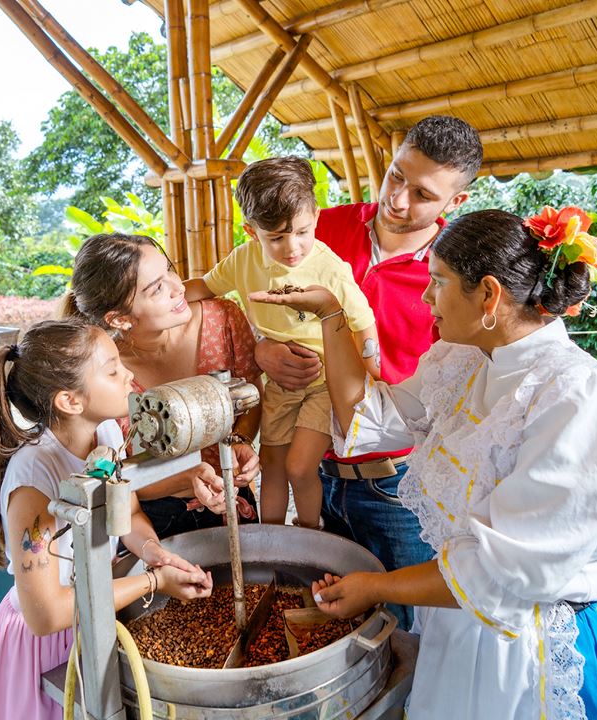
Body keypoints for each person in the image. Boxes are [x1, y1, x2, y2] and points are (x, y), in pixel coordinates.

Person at [247, 208, 597, 719]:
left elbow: (505, 573)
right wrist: (331, 314)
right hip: (461, 619)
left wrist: (376, 587)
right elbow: (373, 415)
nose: (426, 297)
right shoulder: (465, 357)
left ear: (489, 295)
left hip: (532, 635)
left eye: (438, 282)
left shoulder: (575, 396)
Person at [253, 115, 484, 629]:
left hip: (398, 488)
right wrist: (260, 348)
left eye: (423, 193)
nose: (399, 200)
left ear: (455, 203)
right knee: (333, 629)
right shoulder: (314, 229)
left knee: (409, 632)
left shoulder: (456, 278)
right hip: (315, 476)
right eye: (396, 176)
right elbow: (240, 295)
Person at [0, 318, 216, 720]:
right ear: (70, 401)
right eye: (113, 370)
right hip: (44, 649)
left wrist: (156, 555)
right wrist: (153, 582)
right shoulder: (35, 480)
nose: (128, 375)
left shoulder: (107, 436)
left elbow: (128, 512)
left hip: (96, 617)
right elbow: (45, 614)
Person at [184, 156, 380, 528]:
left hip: (325, 384)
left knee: (299, 465)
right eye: (276, 237)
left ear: (316, 217)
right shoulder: (242, 261)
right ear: (251, 231)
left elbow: (363, 323)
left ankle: (307, 534)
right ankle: (270, 540)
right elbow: (204, 287)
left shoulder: (329, 267)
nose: (293, 246)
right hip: (279, 383)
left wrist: (372, 376)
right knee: (271, 464)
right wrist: (163, 298)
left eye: (303, 231)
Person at [69, 233, 262, 537]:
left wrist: (241, 439)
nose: (178, 287)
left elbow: (251, 394)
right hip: (156, 520)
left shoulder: (222, 318)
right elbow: (115, 476)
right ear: (119, 319)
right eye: (157, 288)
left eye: (169, 270)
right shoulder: (106, 375)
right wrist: (188, 481)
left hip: (233, 498)